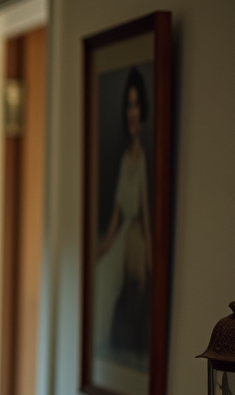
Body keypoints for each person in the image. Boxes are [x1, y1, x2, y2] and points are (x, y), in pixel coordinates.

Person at [95, 68, 153, 364]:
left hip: (137, 235)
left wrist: (150, 252)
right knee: (104, 272)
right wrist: (105, 244)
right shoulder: (124, 158)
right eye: (128, 106)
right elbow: (118, 208)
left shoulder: (142, 159)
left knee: (133, 282)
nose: (132, 112)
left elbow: (144, 207)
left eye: (136, 105)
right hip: (122, 232)